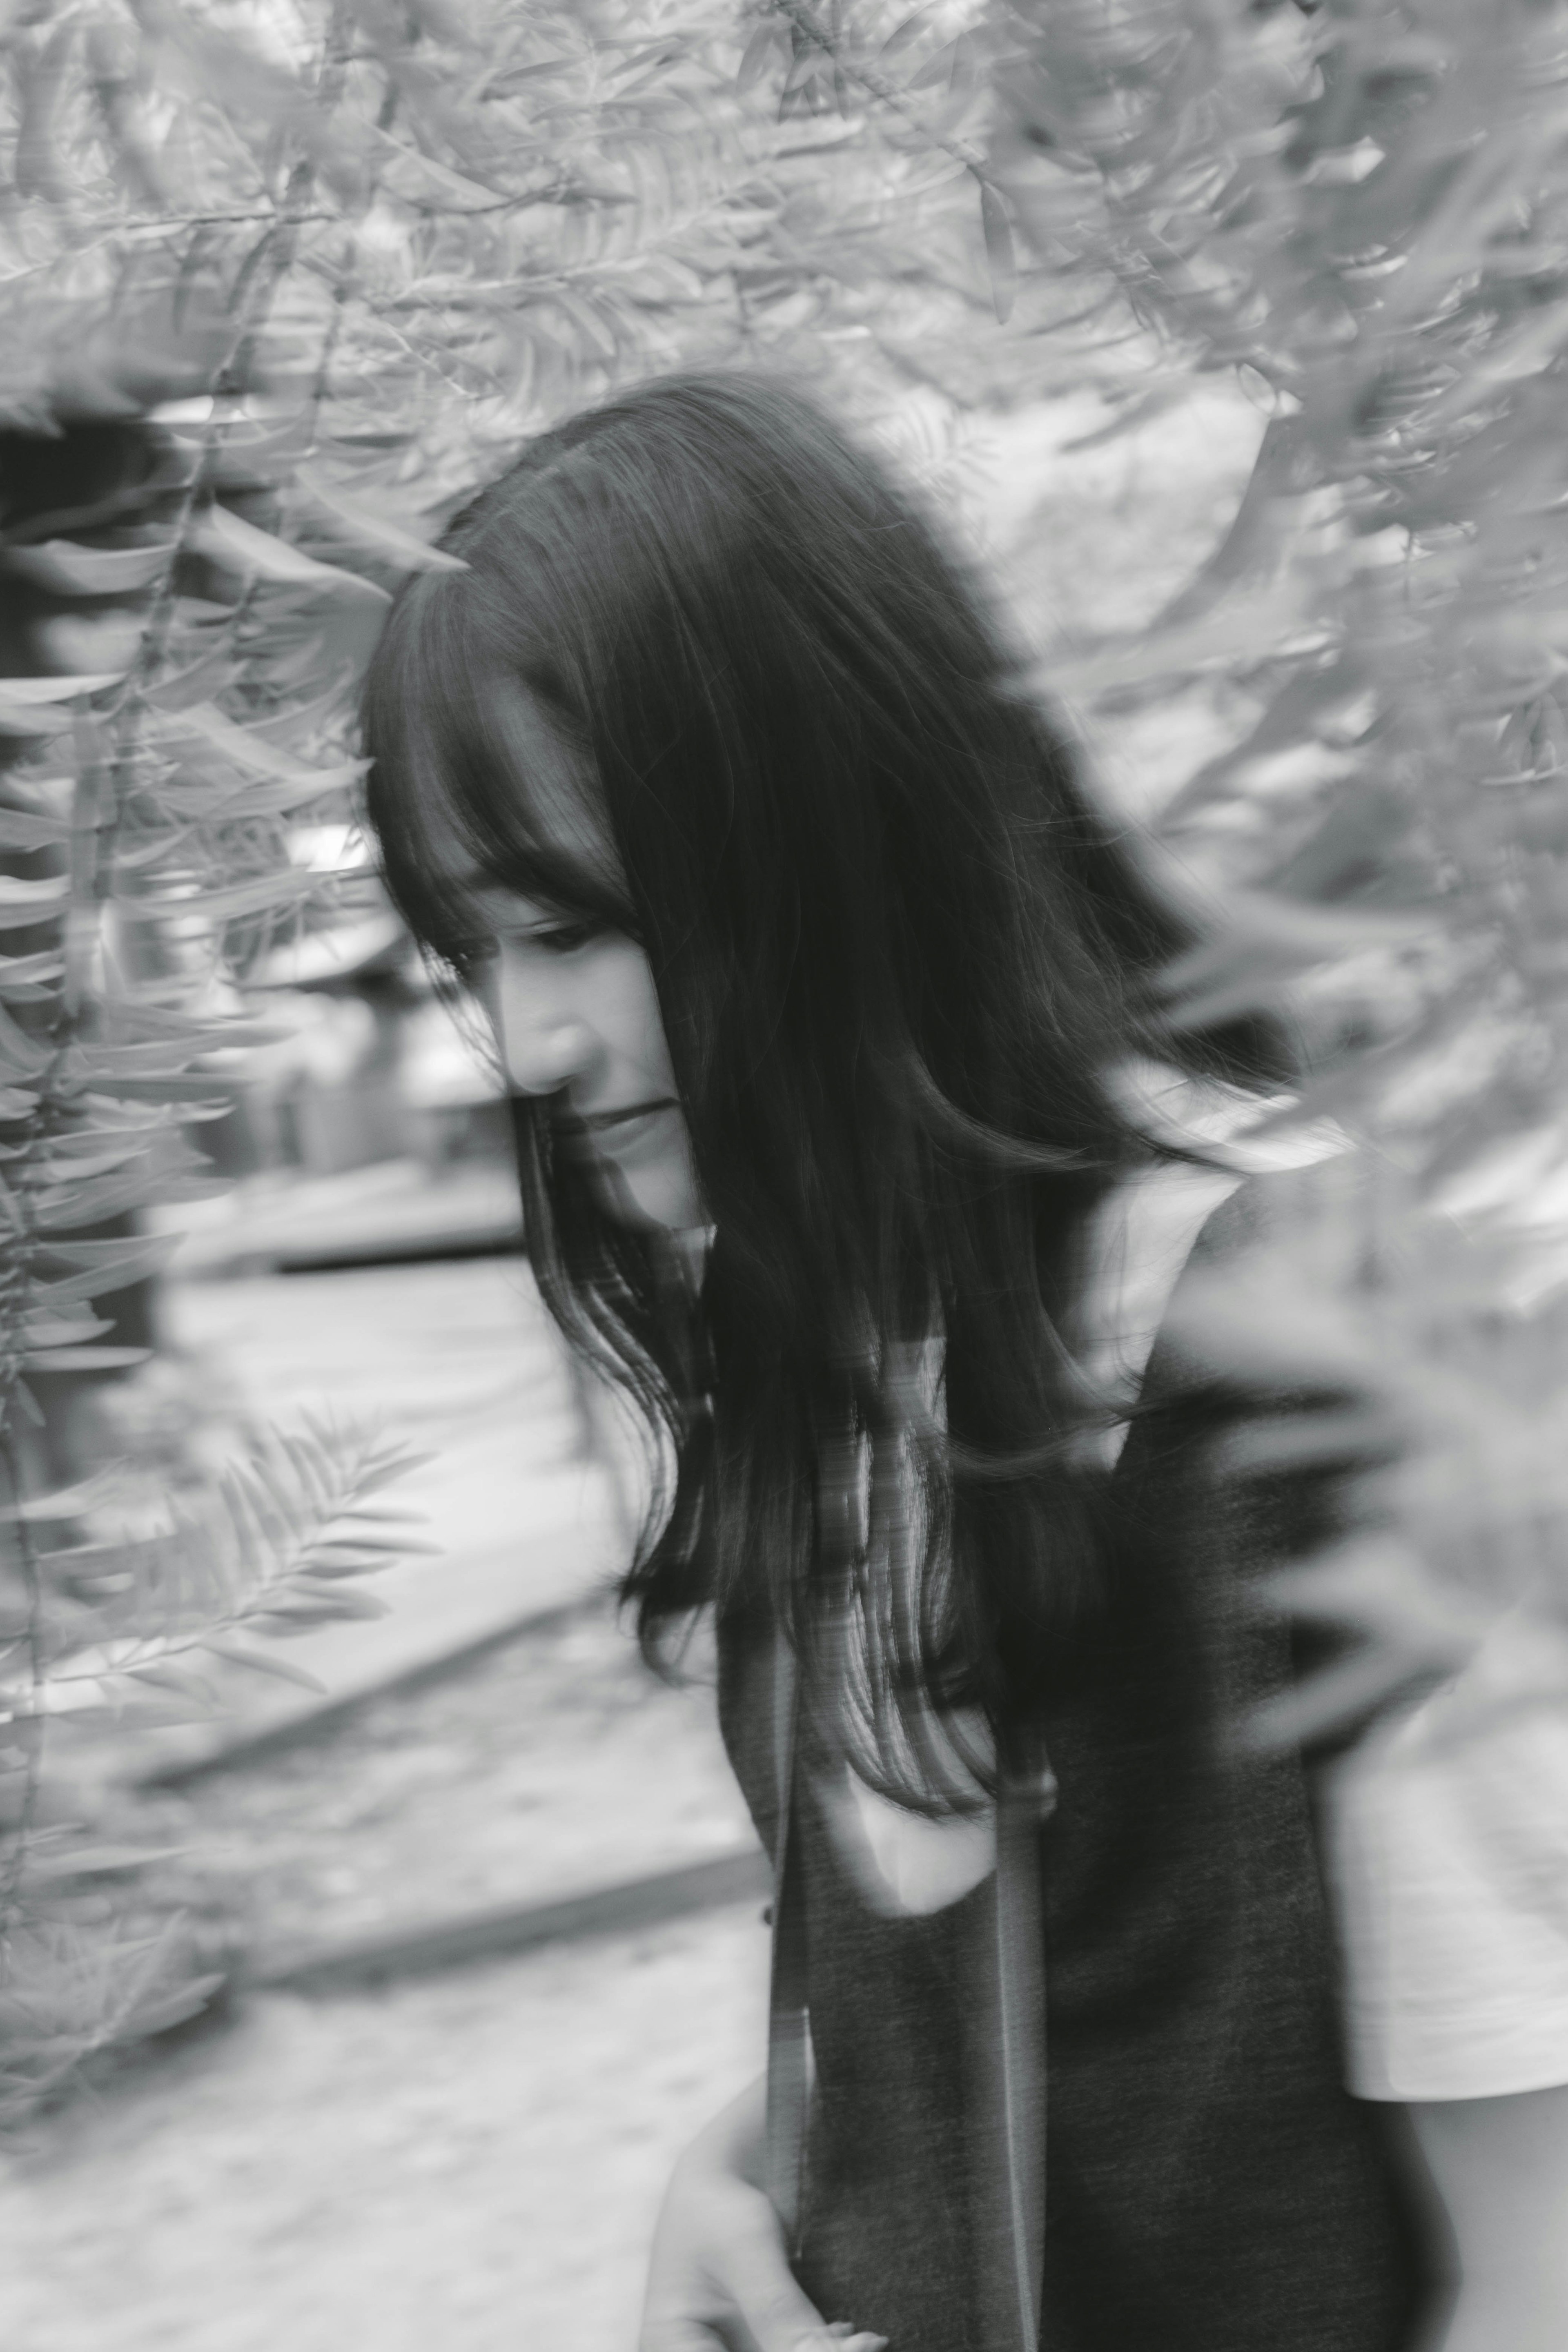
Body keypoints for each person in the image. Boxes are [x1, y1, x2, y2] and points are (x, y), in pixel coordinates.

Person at [361, 370, 1568, 2352]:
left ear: (832, 843)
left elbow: (1541, 2267)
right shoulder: (846, 1322)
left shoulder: (1352, 1367)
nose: (529, 1041)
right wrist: (734, 2180)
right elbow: (1012, 2030)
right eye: (474, 946)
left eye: (573, 925)